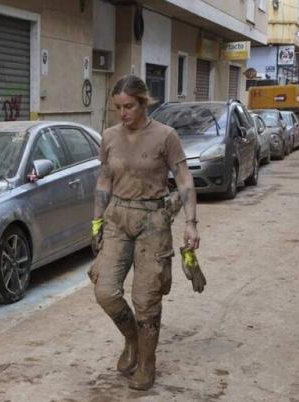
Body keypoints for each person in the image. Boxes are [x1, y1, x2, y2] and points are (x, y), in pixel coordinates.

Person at [88, 75, 201, 390]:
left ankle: (147, 363)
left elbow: (184, 180)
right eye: (118, 107)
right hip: (117, 218)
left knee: (145, 299)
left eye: (128, 106)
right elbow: (104, 179)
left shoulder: (165, 136)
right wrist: (96, 220)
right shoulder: (110, 136)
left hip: (153, 219)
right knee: (105, 291)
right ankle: (133, 341)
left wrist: (191, 223)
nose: (123, 113)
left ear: (143, 102)